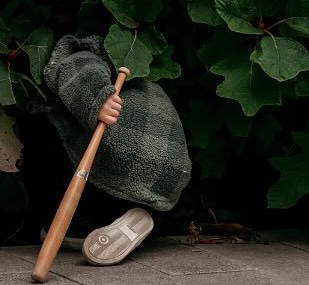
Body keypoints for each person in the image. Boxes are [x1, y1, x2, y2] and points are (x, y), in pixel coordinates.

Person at [30, 34, 192, 266]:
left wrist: (97, 98)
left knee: (78, 160)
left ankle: (84, 224)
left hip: (130, 147)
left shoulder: (84, 52)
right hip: (170, 165)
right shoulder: (145, 81)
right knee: (122, 193)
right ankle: (134, 216)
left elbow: (80, 68)